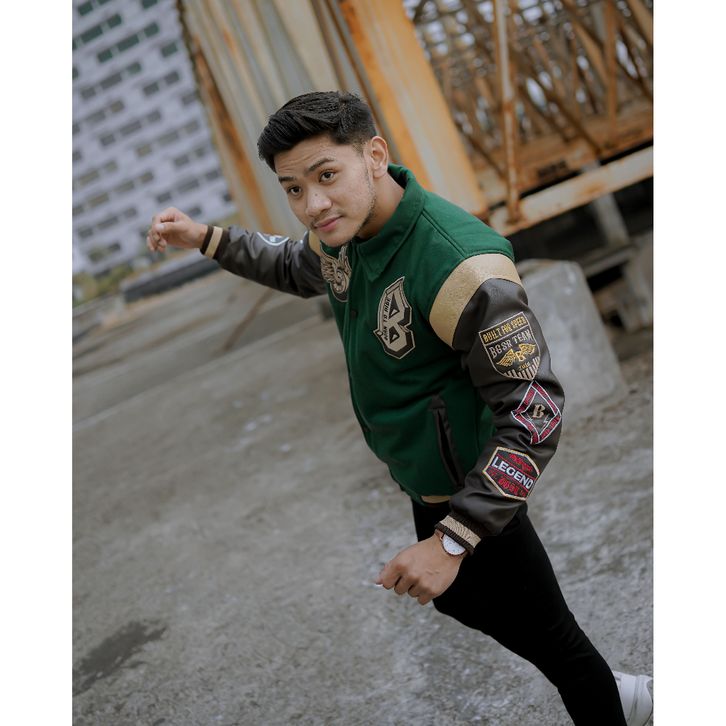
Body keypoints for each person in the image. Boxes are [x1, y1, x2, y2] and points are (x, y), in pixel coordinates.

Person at [147, 91, 652, 725]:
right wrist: (206, 238)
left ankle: (621, 700)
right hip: (427, 476)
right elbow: (295, 265)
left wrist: (454, 539)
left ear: (374, 155)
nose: (313, 204)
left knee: (561, 646)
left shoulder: (458, 264)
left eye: (326, 175)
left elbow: (534, 411)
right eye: (294, 189)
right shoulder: (344, 236)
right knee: (461, 602)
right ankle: (616, 692)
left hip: (476, 488)